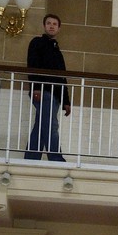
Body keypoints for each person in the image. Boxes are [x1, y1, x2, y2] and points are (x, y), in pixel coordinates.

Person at [24, 13, 71, 161]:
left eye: (54, 24)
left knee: (41, 126)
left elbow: (62, 78)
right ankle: (56, 158)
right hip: (43, 91)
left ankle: (31, 158)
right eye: (49, 23)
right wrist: (36, 87)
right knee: (51, 125)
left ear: (59, 28)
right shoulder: (37, 42)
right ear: (44, 26)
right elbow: (32, 65)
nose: (51, 26)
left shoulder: (57, 51)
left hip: (55, 95)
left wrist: (66, 101)